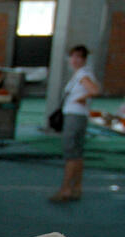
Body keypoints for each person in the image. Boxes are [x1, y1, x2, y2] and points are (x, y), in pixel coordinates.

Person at [50, 45, 101, 203]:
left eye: (79, 57)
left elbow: (94, 90)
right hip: (80, 116)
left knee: (71, 154)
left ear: (84, 59)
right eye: (73, 56)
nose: (75, 60)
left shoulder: (81, 74)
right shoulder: (84, 73)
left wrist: (81, 98)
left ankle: (65, 189)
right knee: (78, 154)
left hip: (74, 116)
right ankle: (76, 187)